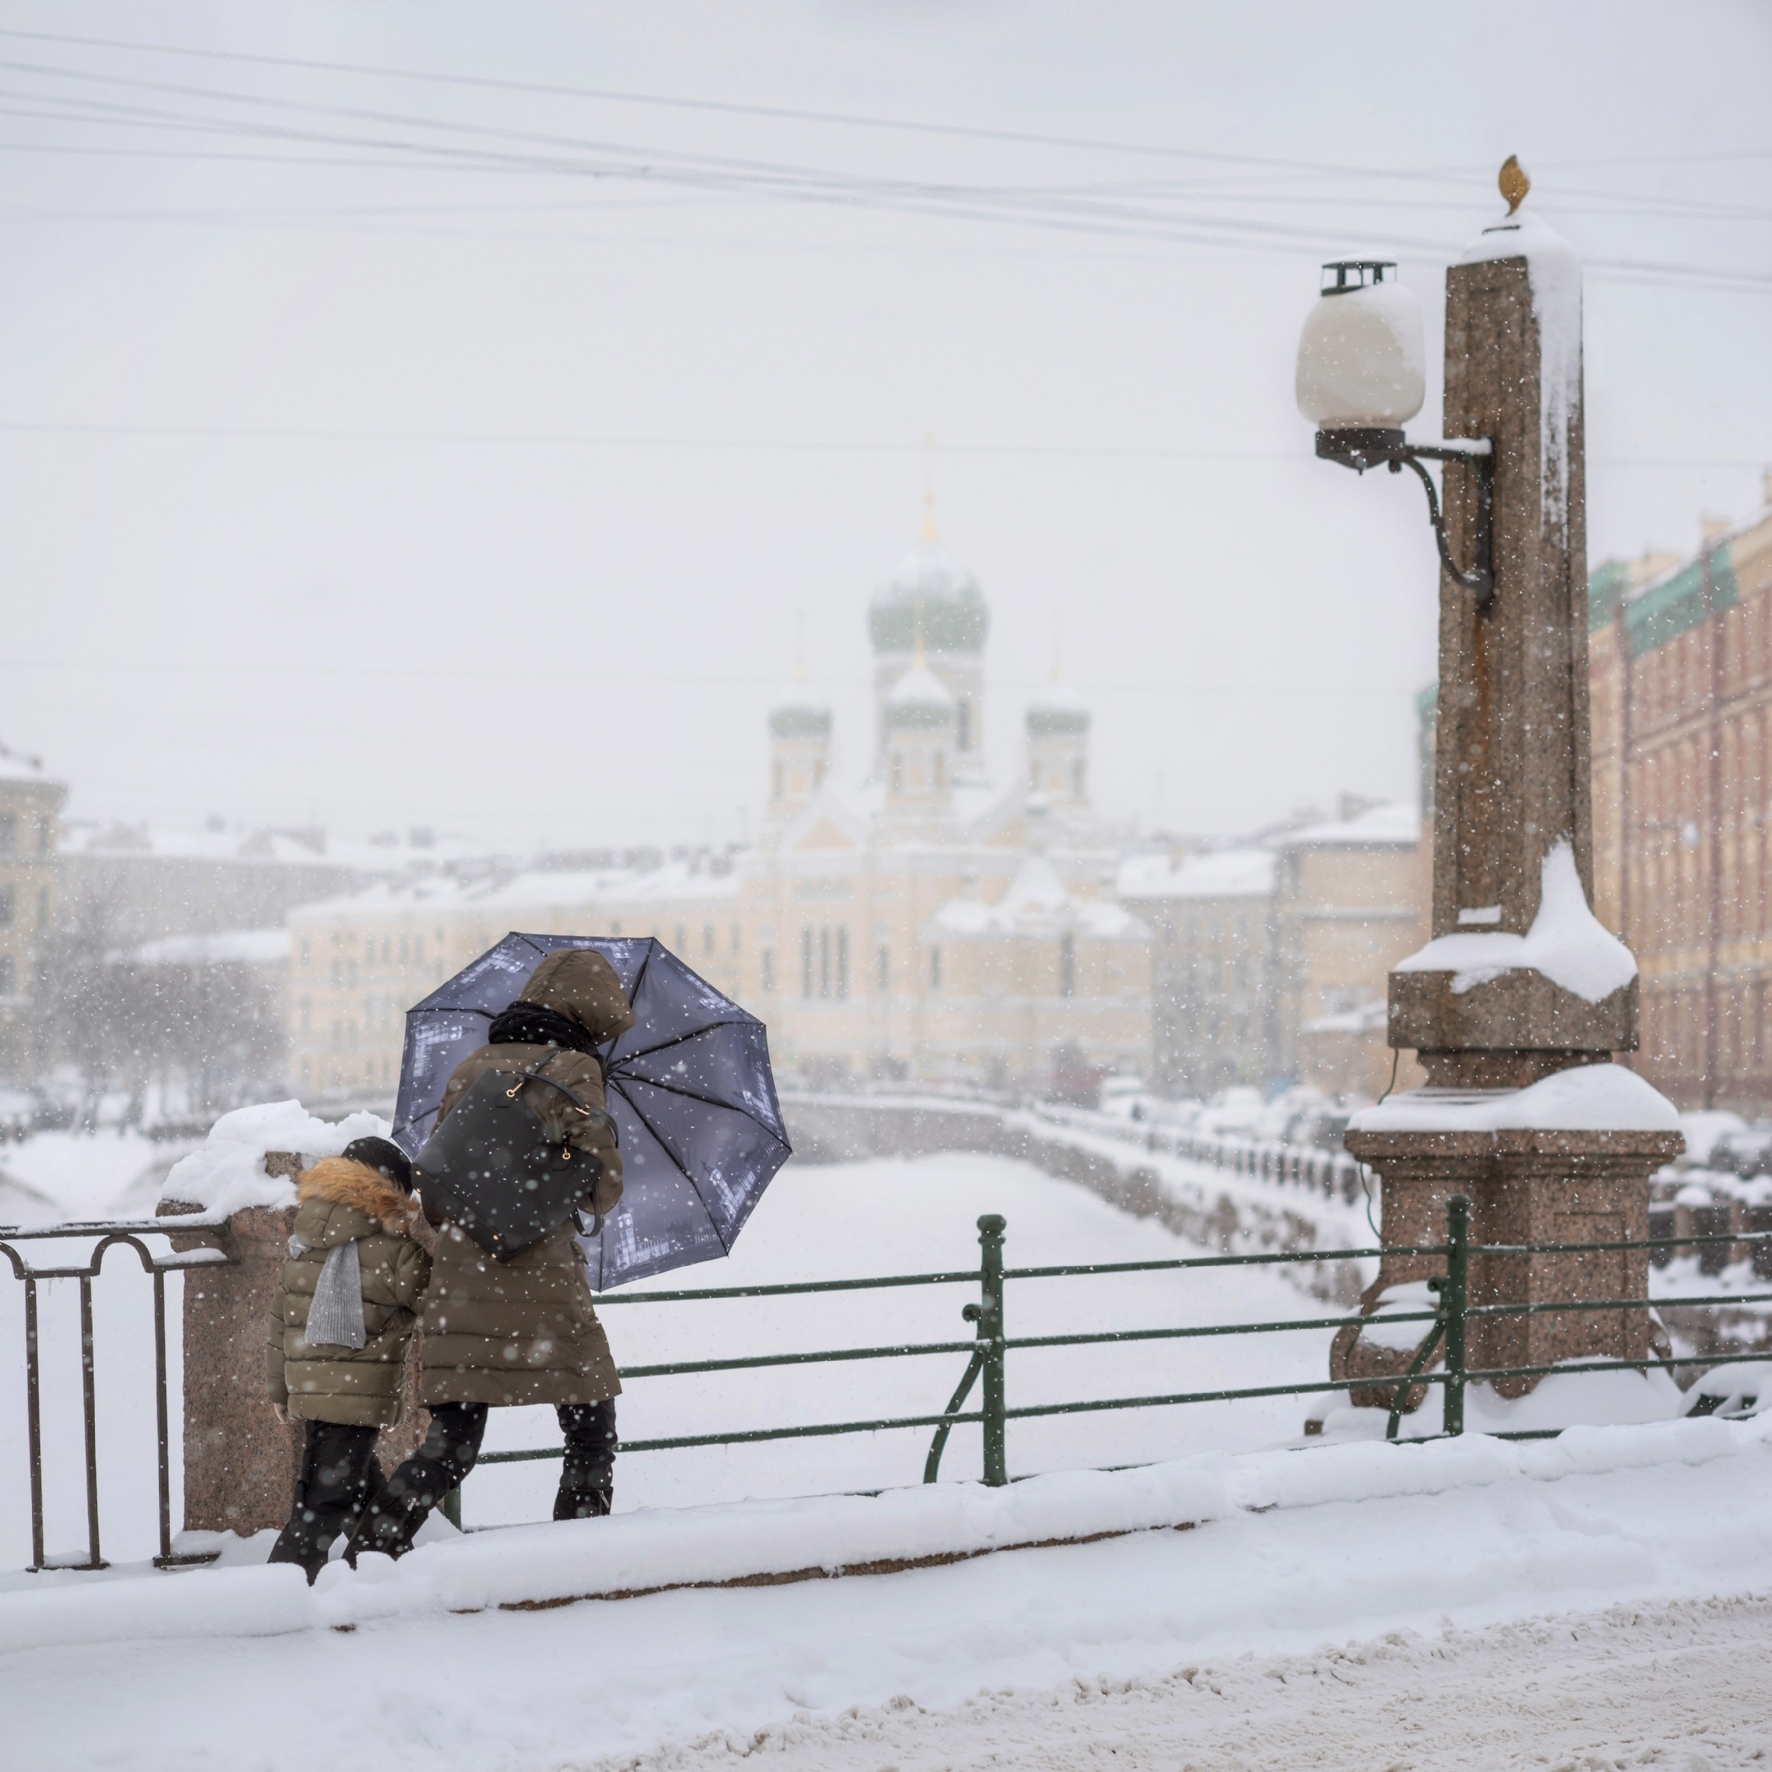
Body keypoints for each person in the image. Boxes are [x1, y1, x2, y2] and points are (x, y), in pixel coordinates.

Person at [347, 947, 631, 1561]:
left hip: (461, 1281)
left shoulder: (472, 1066)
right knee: (589, 1429)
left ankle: (367, 1556)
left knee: (450, 1447)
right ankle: (576, 1563)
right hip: (545, 1286)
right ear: (589, 1012)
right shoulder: (577, 1069)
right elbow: (604, 1188)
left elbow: (440, 1192)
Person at [265, 1136, 430, 1582]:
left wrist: (279, 1389)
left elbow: (281, 1317)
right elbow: (437, 1303)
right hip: (355, 1398)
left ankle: (389, 1575)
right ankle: (278, 1592)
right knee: (325, 1503)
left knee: (361, 1490)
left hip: (312, 1390)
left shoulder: (306, 1236)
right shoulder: (395, 1253)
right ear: (391, 1193)